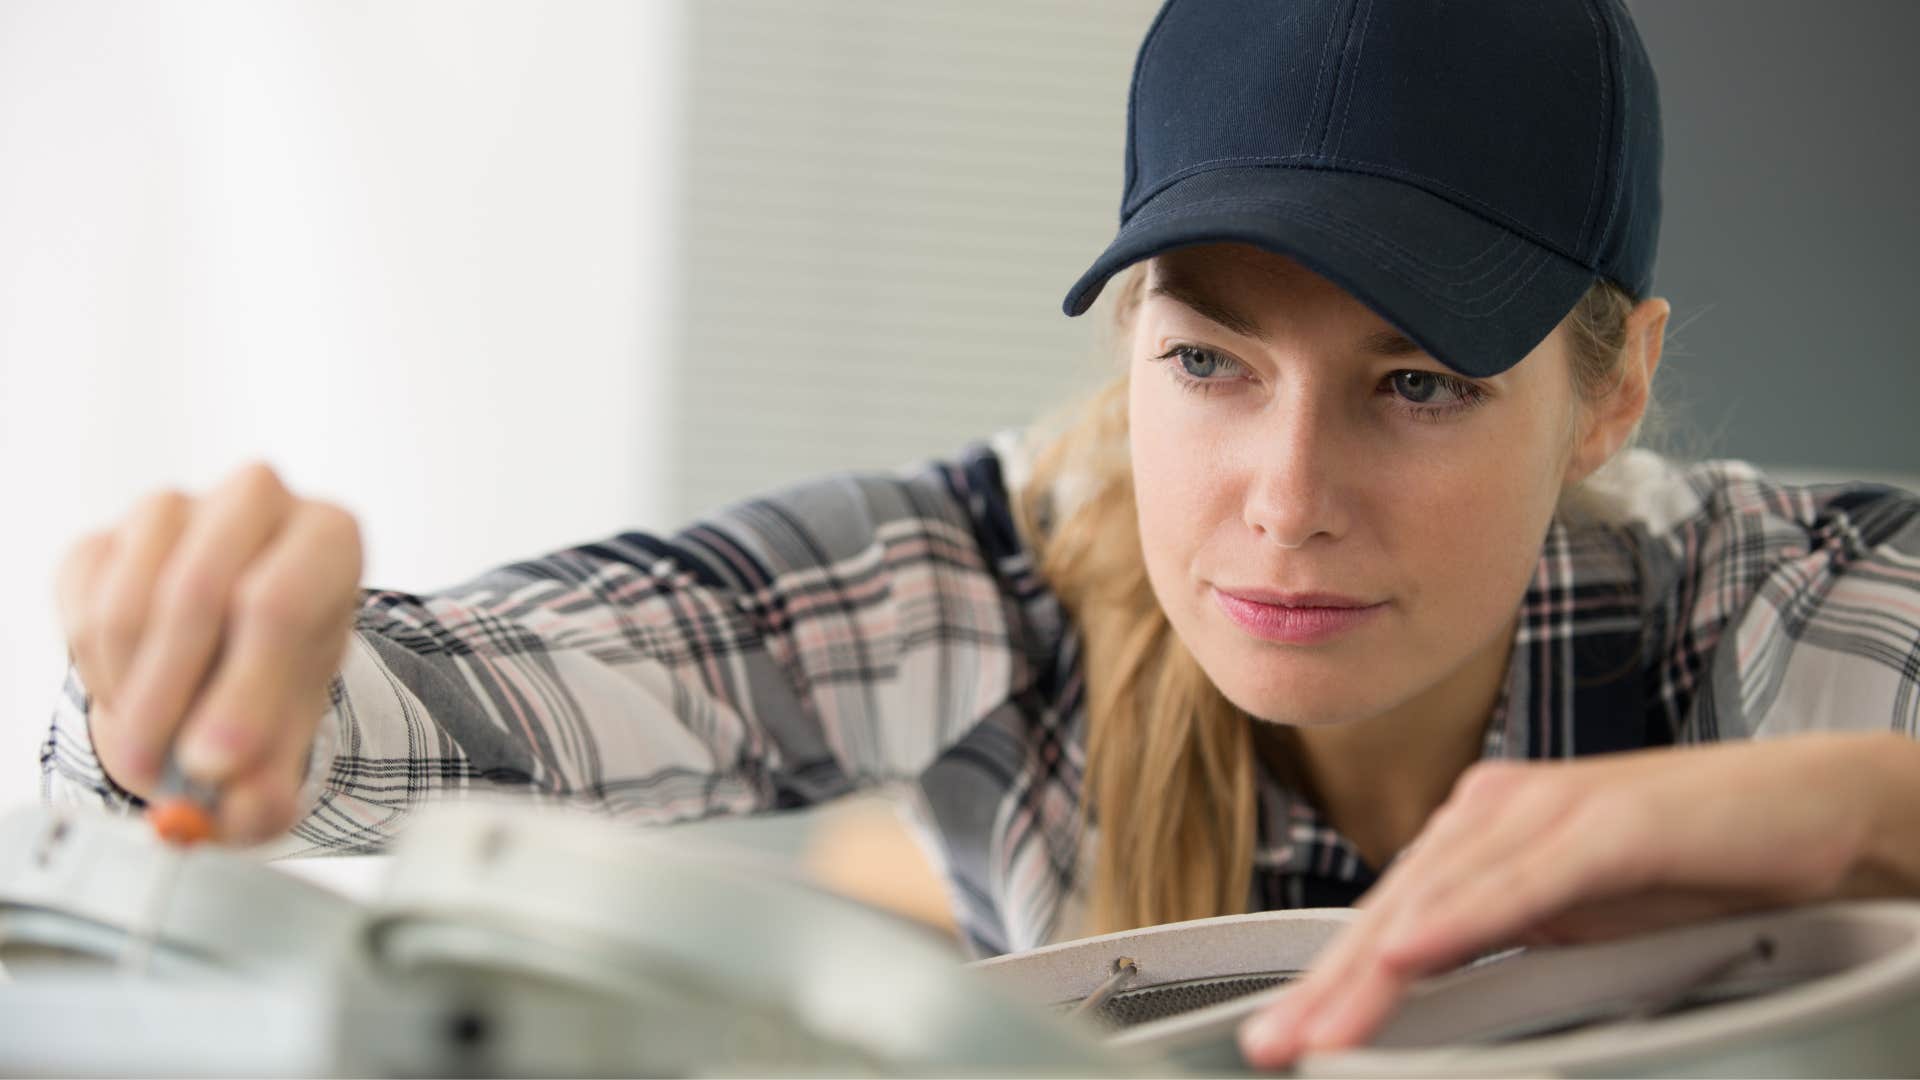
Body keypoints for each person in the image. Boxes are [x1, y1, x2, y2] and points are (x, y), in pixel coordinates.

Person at [39, 0, 1920, 1068]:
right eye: (1206, 359)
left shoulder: (1773, 605)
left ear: (1611, 390)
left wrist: (1851, 815)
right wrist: (202, 686)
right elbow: (443, 710)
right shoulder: (990, 578)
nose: (1282, 497)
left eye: (1415, 383)